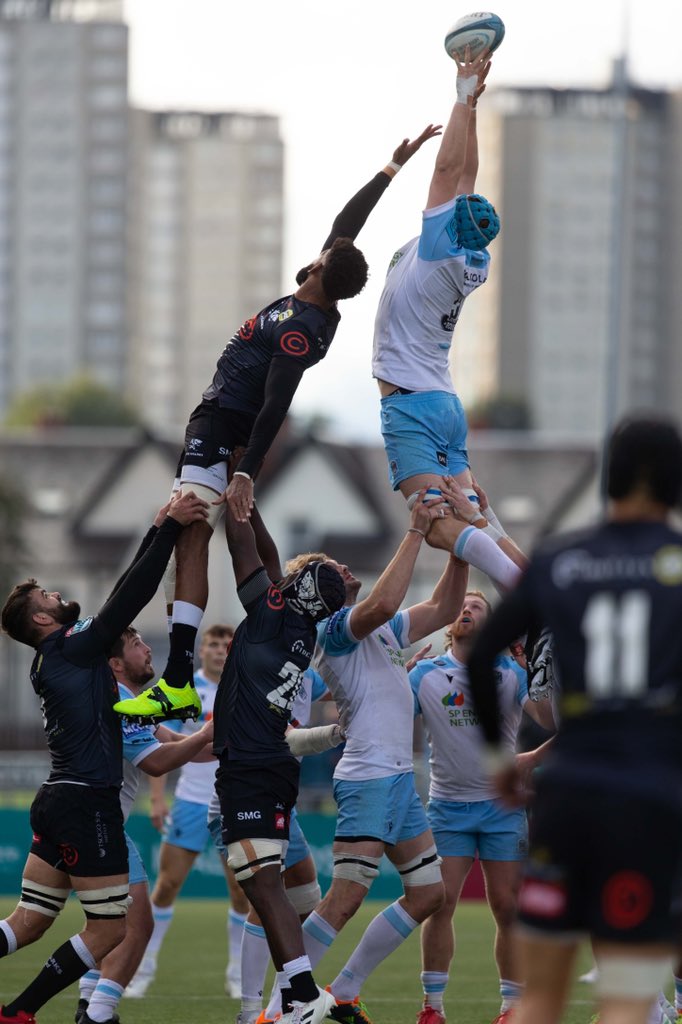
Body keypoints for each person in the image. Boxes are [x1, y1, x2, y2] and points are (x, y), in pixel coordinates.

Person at [114, 125, 443, 724]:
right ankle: (180, 675)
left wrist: (243, 470)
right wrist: (392, 169)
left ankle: (180, 676)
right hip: (218, 423)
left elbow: (274, 405)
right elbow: (350, 222)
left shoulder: (302, 330)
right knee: (191, 530)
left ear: (318, 266)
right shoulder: (320, 288)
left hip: (222, 425)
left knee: (187, 524)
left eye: (322, 250)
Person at [467, 414, 682, 1024]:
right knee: (624, 1002)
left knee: (539, 1000)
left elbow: (485, 653)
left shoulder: (563, 559)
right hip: (649, 800)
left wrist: (497, 760)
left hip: (568, 794)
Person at [259, 486, 470, 1024]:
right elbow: (383, 603)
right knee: (344, 900)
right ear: (319, 589)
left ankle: (344, 992)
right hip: (370, 779)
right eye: (332, 566)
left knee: (428, 895)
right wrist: (419, 530)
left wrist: (460, 546)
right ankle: (279, 1009)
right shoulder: (333, 630)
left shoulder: (375, 633)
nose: (346, 566)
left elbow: (444, 607)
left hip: (396, 780)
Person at [0, 489, 207, 1024]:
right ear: (42, 621)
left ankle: (32, 1012)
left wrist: (159, 524)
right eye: (47, 595)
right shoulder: (71, 646)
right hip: (88, 803)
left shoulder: (55, 658)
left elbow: (119, 597)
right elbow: (128, 599)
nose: (56, 594)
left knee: (28, 922)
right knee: (113, 929)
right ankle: (23, 1012)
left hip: (57, 802)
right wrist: (166, 531)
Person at [371, 47, 525, 596]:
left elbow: (446, 169)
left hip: (414, 404)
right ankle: (533, 588)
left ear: (451, 224)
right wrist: (475, 111)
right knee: (478, 513)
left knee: (438, 525)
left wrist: (461, 95)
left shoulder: (437, 248)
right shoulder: (468, 255)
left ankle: (528, 602)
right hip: (440, 403)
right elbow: (467, 174)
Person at [214, 492, 348, 1024]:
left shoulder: (272, 616)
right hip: (269, 762)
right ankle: (297, 992)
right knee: (265, 884)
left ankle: (302, 995)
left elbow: (243, 550)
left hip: (251, 763)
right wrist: (252, 503)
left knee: (263, 884)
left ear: (297, 588)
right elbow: (271, 565)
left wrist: (234, 502)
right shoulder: (299, 625)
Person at [409, 592, 554, 1024]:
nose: (467, 609)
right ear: (449, 622)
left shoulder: (511, 673)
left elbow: (550, 719)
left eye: (478, 606)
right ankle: (432, 1008)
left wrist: (533, 757)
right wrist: (396, 674)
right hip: (448, 807)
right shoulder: (426, 674)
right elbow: (381, 717)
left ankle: (511, 1009)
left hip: (500, 809)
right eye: (462, 605)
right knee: (440, 904)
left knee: (507, 908)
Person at [76, 626, 214, 1024]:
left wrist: (230, 740)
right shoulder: (119, 700)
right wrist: (207, 730)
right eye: (138, 645)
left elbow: (180, 746)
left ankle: (88, 1005)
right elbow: (159, 761)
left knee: (83, 924)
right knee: (135, 925)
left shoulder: (133, 702)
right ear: (116, 664)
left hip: (80, 820)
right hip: (97, 826)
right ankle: (98, 1012)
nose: (148, 648)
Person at [123, 624, 244, 1000]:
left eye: (227, 644)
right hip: (191, 801)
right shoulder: (183, 689)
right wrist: (158, 800)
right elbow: (161, 743)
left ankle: (237, 974)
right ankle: (143, 970)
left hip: (233, 802)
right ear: (202, 650)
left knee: (241, 892)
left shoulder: (242, 685)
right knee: (167, 886)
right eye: (213, 643)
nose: (220, 650)